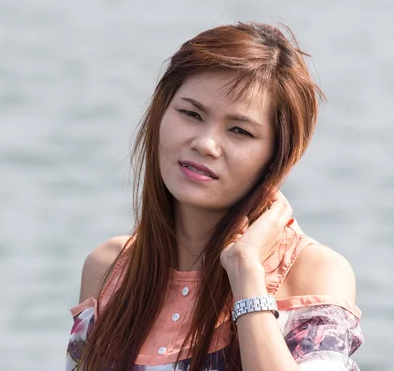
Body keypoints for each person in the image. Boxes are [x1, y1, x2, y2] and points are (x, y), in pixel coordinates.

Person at [66, 22, 363, 370]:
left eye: (239, 131)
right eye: (191, 114)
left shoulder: (314, 273)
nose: (205, 143)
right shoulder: (110, 269)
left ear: (276, 156)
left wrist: (246, 273)